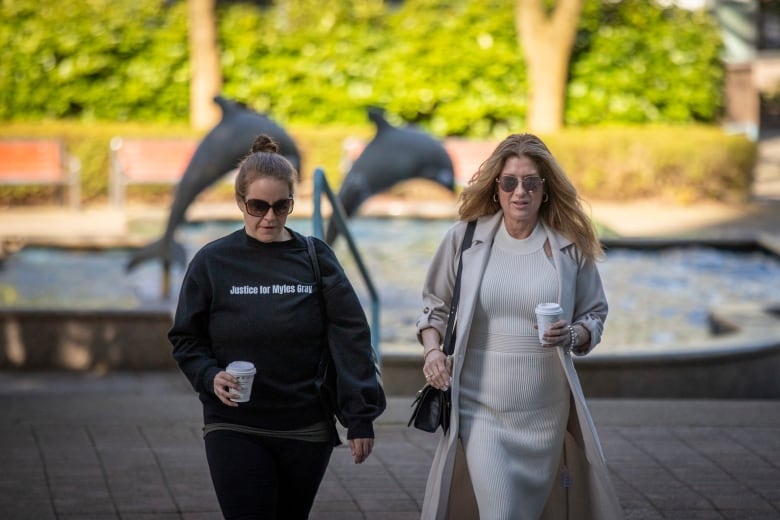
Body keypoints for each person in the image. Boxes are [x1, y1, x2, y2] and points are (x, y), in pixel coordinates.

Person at [168, 134, 385, 520]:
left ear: (291, 203)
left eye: (281, 206)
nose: (269, 217)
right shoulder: (212, 262)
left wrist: (360, 417)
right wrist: (209, 375)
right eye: (257, 206)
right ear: (240, 202)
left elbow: (351, 336)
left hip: (305, 427)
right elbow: (186, 338)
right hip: (233, 423)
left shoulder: (315, 258)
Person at [416, 133, 623, 519]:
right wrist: (432, 351)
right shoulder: (465, 239)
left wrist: (573, 335)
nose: (520, 192)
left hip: (544, 412)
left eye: (531, 182)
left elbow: (594, 314)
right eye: (510, 182)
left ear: (546, 189)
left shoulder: (568, 246)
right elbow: (434, 307)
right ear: (496, 188)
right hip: (481, 409)